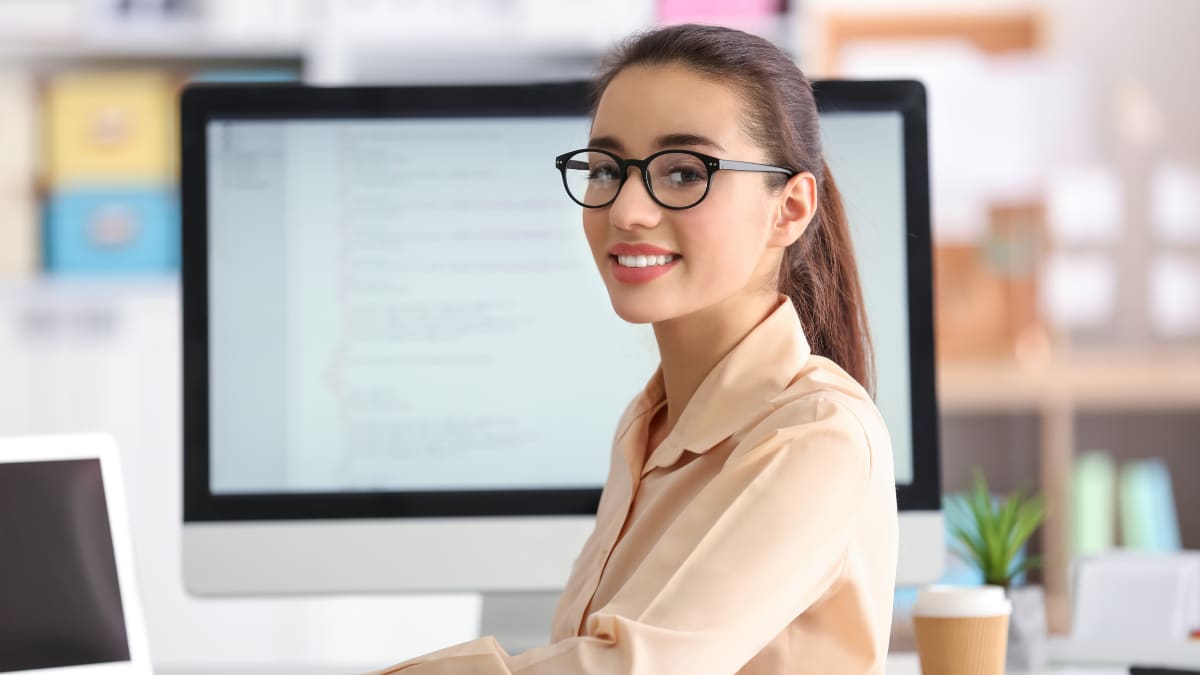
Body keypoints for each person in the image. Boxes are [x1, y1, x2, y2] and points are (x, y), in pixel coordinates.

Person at [367, 22, 898, 675]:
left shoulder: (817, 437)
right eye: (606, 169)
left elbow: (630, 667)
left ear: (789, 208)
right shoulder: (649, 424)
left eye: (682, 172)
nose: (627, 210)